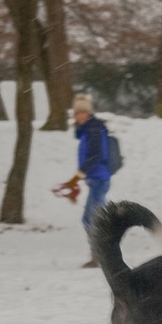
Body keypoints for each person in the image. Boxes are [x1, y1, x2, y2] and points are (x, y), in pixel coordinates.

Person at [64, 94, 112, 267]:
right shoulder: (88, 129)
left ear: (89, 113)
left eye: (83, 112)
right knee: (93, 218)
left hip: (99, 179)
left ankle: (100, 256)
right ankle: (100, 255)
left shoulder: (93, 129)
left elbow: (95, 156)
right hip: (96, 179)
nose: (80, 116)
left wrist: (77, 176)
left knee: (92, 219)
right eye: (77, 113)